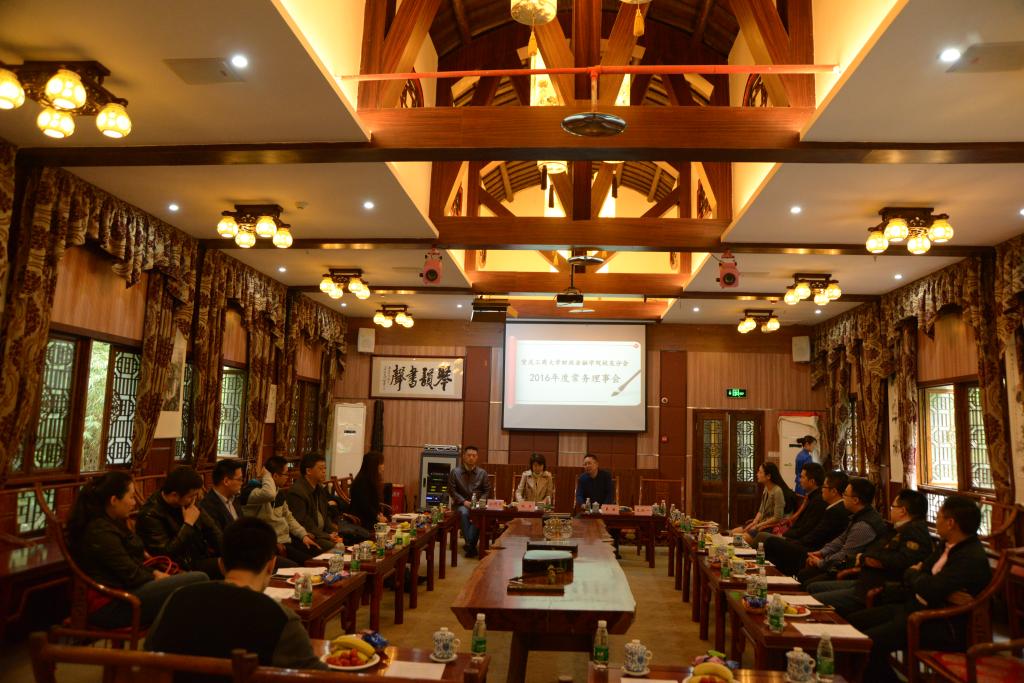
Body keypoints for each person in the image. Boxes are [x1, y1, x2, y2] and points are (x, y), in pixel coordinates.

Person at [146, 517, 326, 677]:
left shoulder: (177, 598)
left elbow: (150, 654)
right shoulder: (281, 619)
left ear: (221, 565)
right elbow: (317, 675)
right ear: (271, 565)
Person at [848, 496, 992, 683]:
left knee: (869, 643)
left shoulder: (970, 557)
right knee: (852, 624)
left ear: (950, 523)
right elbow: (915, 574)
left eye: (938, 517)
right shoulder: (945, 544)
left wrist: (919, 576)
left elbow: (930, 588)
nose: (935, 521)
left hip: (941, 623)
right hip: (915, 606)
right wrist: (919, 576)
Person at [67, 472, 208, 629]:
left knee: (191, 589)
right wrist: (156, 576)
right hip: (112, 603)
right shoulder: (99, 532)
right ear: (114, 500)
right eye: (131, 497)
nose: (134, 503)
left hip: (128, 590)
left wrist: (155, 573)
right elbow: (131, 574)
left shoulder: (112, 523)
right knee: (198, 579)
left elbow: (133, 563)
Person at [808, 488, 933, 616]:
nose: (891, 510)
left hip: (878, 587)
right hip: (865, 580)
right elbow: (876, 549)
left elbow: (898, 561)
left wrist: (865, 558)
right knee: (814, 587)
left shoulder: (915, 532)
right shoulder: (898, 528)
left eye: (893, 507)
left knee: (813, 599)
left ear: (903, 511)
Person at [797, 477, 887, 586]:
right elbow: (841, 540)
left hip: (855, 572)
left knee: (810, 583)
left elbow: (846, 554)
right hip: (842, 564)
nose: (842, 497)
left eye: (845, 494)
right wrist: (821, 552)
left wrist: (821, 562)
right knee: (803, 574)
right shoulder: (859, 514)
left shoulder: (864, 525)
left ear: (856, 500)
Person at [137, 465, 223, 577]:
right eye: (191, 496)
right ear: (175, 495)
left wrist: (229, 551)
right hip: (181, 567)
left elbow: (213, 531)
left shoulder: (187, 502)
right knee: (228, 566)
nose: (194, 499)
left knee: (237, 560)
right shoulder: (150, 515)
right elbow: (166, 554)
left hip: (200, 556)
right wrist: (188, 524)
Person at [764, 470, 850, 575]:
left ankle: (778, 577)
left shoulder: (835, 510)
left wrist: (791, 541)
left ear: (833, 491)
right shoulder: (832, 507)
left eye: (824, 487)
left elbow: (816, 536)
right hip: (810, 545)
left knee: (771, 542)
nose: (822, 490)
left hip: (814, 550)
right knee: (773, 541)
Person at [245, 456, 320, 566]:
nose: (287, 477)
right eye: (286, 474)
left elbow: (289, 518)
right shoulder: (254, 491)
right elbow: (269, 494)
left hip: (286, 540)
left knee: (318, 554)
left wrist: (303, 535)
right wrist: (267, 475)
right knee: (309, 563)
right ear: (275, 476)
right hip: (269, 545)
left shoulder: (279, 493)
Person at [750, 462, 827, 548]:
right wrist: (755, 523)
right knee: (754, 534)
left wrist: (784, 535)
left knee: (761, 536)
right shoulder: (811, 497)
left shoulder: (818, 501)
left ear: (812, 481)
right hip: (791, 534)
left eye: (802, 477)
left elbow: (805, 529)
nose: (799, 480)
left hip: (798, 542)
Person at [287, 453, 342, 552]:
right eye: (320, 468)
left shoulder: (319, 488)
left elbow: (325, 515)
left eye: (325, 468)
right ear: (308, 471)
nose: (324, 471)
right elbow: (304, 522)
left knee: (344, 540)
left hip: (320, 534)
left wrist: (333, 533)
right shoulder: (297, 492)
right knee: (335, 548)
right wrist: (327, 536)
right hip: (307, 536)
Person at [447, 445, 491, 558]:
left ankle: (469, 545)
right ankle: (471, 545)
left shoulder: (482, 473)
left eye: (474, 455)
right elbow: (451, 491)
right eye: (469, 455)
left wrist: (481, 501)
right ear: (464, 456)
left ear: (477, 457)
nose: (471, 458)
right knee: (464, 513)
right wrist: (464, 502)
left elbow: (487, 490)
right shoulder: (455, 472)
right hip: (460, 504)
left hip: (478, 504)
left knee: (479, 514)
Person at [574, 453, 621, 557]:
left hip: (605, 509)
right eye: (585, 464)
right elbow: (579, 495)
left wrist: (602, 508)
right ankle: (585, 549)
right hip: (589, 511)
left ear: (596, 464)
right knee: (576, 521)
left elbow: (610, 494)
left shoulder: (606, 476)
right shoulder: (582, 478)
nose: (587, 466)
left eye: (589, 463)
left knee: (616, 523)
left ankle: (615, 550)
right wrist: (582, 504)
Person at [730, 463, 791, 537]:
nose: (757, 474)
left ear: (768, 476)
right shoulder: (766, 488)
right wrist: (754, 522)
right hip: (761, 523)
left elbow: (777, 518)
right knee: (733, 532)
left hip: (769, 527)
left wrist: (758, 525)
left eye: (760, 472)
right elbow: (761, 510)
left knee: (743, 537)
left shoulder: (777, 491)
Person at [200, 459, 245, 535]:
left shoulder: (234, 498)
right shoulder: (207, 506)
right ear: (226, 481)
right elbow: (218, 538)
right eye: (239, 479)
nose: (242, 483)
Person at [349, 451, 388, 532]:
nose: (383, 466)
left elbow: (373, 503)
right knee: (387, 532)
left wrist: (379, 513)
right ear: (373, 465)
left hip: (371, 519)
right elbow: (365, 506)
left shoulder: (370, 479)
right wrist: (378, 517)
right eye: (381, 463)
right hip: (363, 523)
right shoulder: (361, 481)